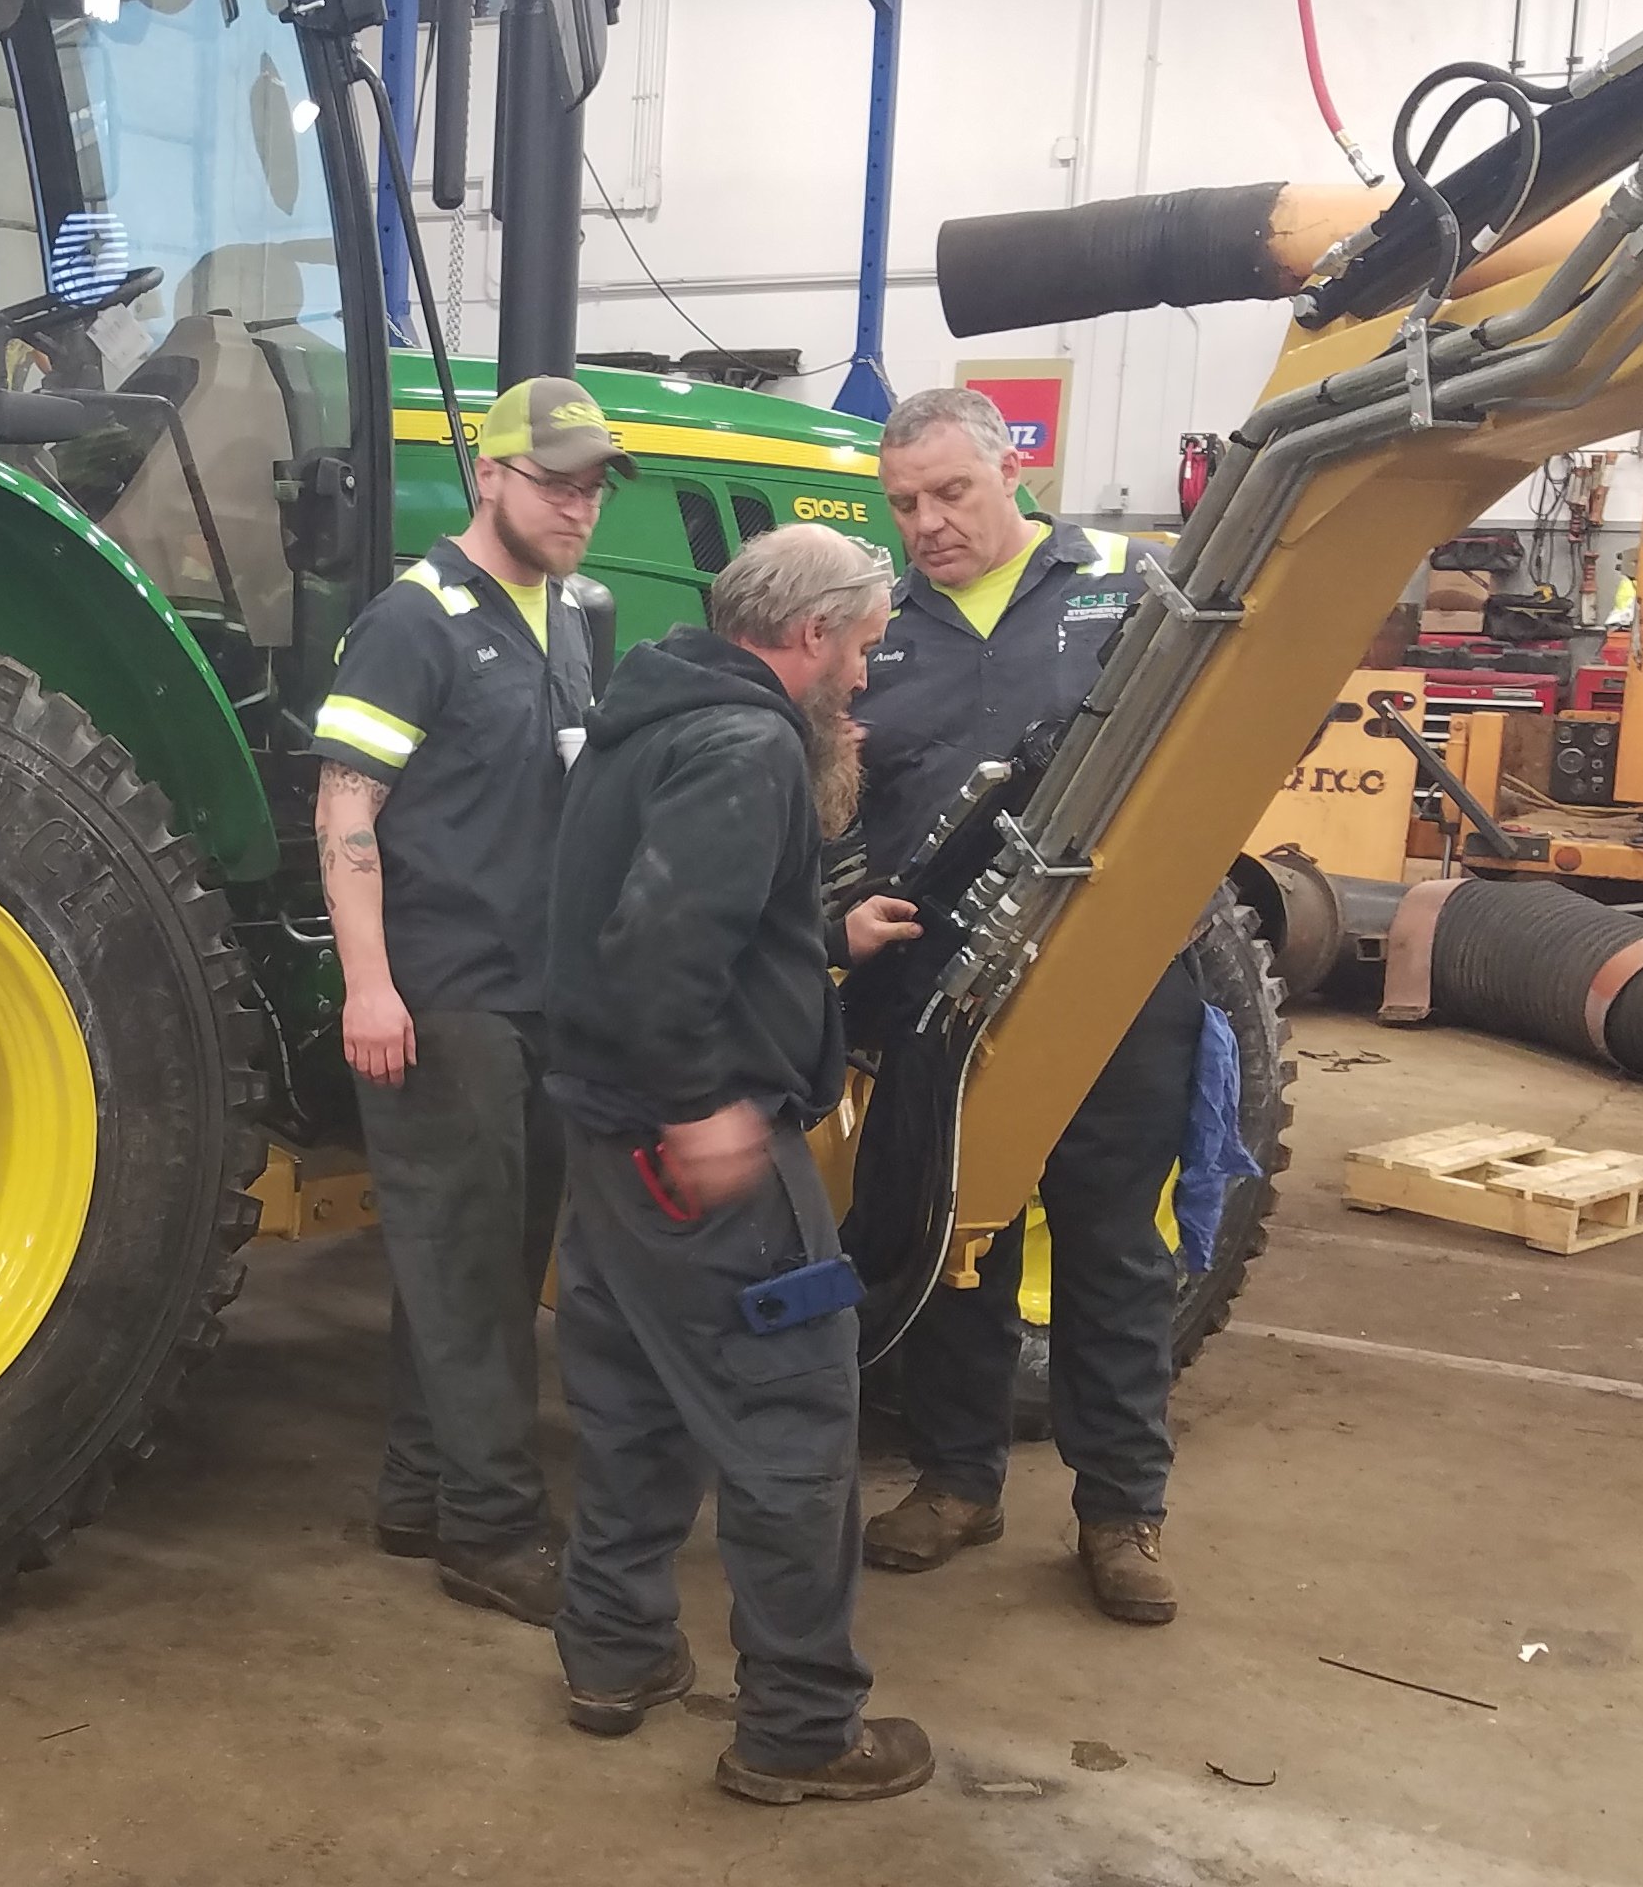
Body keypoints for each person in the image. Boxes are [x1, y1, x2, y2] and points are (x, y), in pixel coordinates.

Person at [538, 523, 931, 1805]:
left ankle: (614, 1655)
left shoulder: (649, 712)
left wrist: (816, 932)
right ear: (812, 635)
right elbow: (659, 956)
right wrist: (707, 1107)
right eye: (866, 647)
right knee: (793, 1415)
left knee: (636, 1396)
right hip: (695, 1155)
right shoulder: (745, 741)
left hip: (607, 1144)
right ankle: (802, 1727)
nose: (867, 678)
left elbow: (651, 910)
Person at [847, 384, 1197, 1625]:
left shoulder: (1134, 583)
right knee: (958, 1235)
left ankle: (1120, 1512)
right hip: (943, 987)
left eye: (951, 492)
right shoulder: (876, 624)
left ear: (1014, 472)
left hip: (1116, 978)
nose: (929, 523)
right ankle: (959, 1479)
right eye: (905, 505)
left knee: (1112, 1241)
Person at [309, 375, 621, 1622]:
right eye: (555, 482)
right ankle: (490, 1531)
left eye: (593, 487)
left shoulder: (571, 617)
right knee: (468, 1268)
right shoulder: (416, 621)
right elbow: (345, 808)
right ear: (488, 475)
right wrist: (372, 988)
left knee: (477, 1266)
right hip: (444, 1002)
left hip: (534, 995)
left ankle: (417, 1486)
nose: (578, 507)